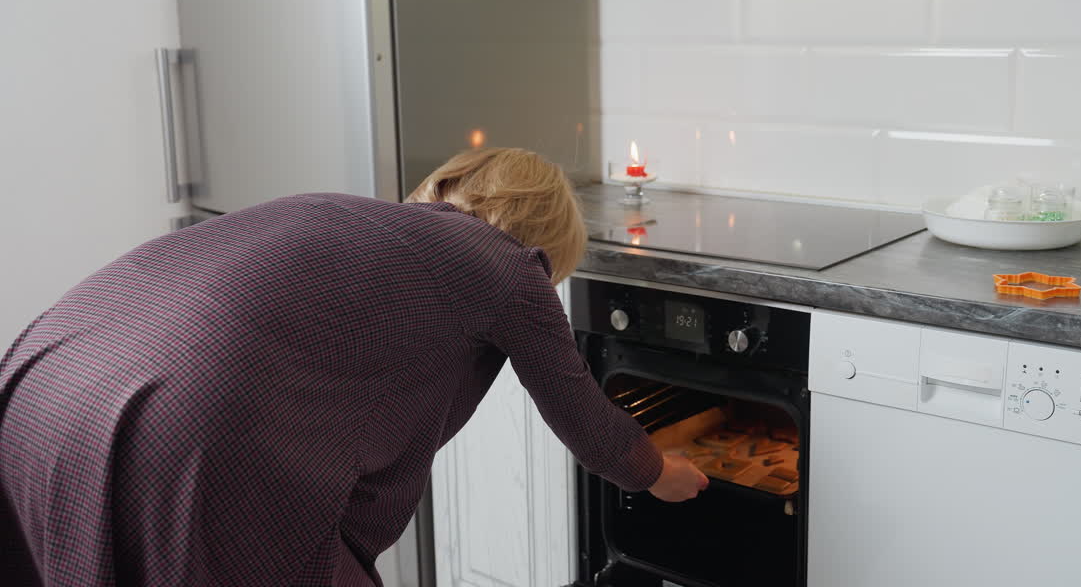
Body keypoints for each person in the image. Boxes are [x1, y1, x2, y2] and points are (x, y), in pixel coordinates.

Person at [0, 148, 709, 586]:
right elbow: (585, 418)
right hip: (186, 433)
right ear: (546, 242)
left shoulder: (341, 211)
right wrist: (664, 475)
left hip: (40, 390)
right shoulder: (506, 265)